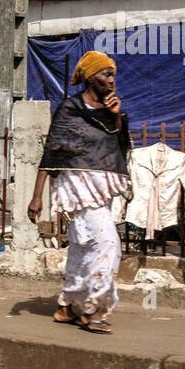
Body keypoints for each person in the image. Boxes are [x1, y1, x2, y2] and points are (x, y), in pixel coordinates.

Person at [28, 50, 132, 335]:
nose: (111, 80)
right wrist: (37, 196)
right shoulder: (70, 109)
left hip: (102, 188)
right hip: (76, 189)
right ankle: (93, 310)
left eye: (113, 75)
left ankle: (69, 306)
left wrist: (116, 117)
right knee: (107, 242)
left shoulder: (112, 110)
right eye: (106, 74)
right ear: (90, 76)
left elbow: (119, 146)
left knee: (82, 246)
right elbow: (53, 151)